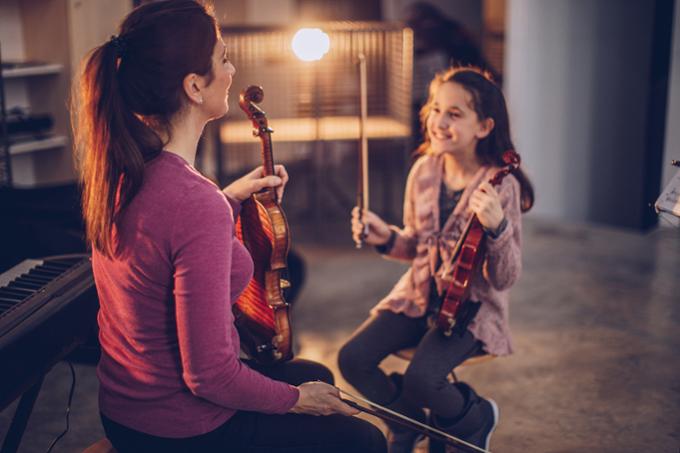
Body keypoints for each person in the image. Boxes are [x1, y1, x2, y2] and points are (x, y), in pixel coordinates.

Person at [71, 1, 386, 452]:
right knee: (363, 439)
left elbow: (165, 233)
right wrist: (297, 401)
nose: (232, 69)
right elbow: (210, 377)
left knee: (314, 374)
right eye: (222, 58)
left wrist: (230, 199)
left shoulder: (123, 173)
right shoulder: (193, 203)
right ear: (195, 86)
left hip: (125, 409)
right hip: (180, 428)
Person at [338, 67, 534, 453]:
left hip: (470, 310)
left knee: (422, 380)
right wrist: (387, 238)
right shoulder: (424, 170)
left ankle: (475, 419)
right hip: (417, 297)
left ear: (484, 127)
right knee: (352, 359)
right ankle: (409, 423)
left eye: (455, 114)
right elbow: (418, 247)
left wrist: (498, 229)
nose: (438, 122)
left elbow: (505, 278)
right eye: (435, 109)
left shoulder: (501, 185)